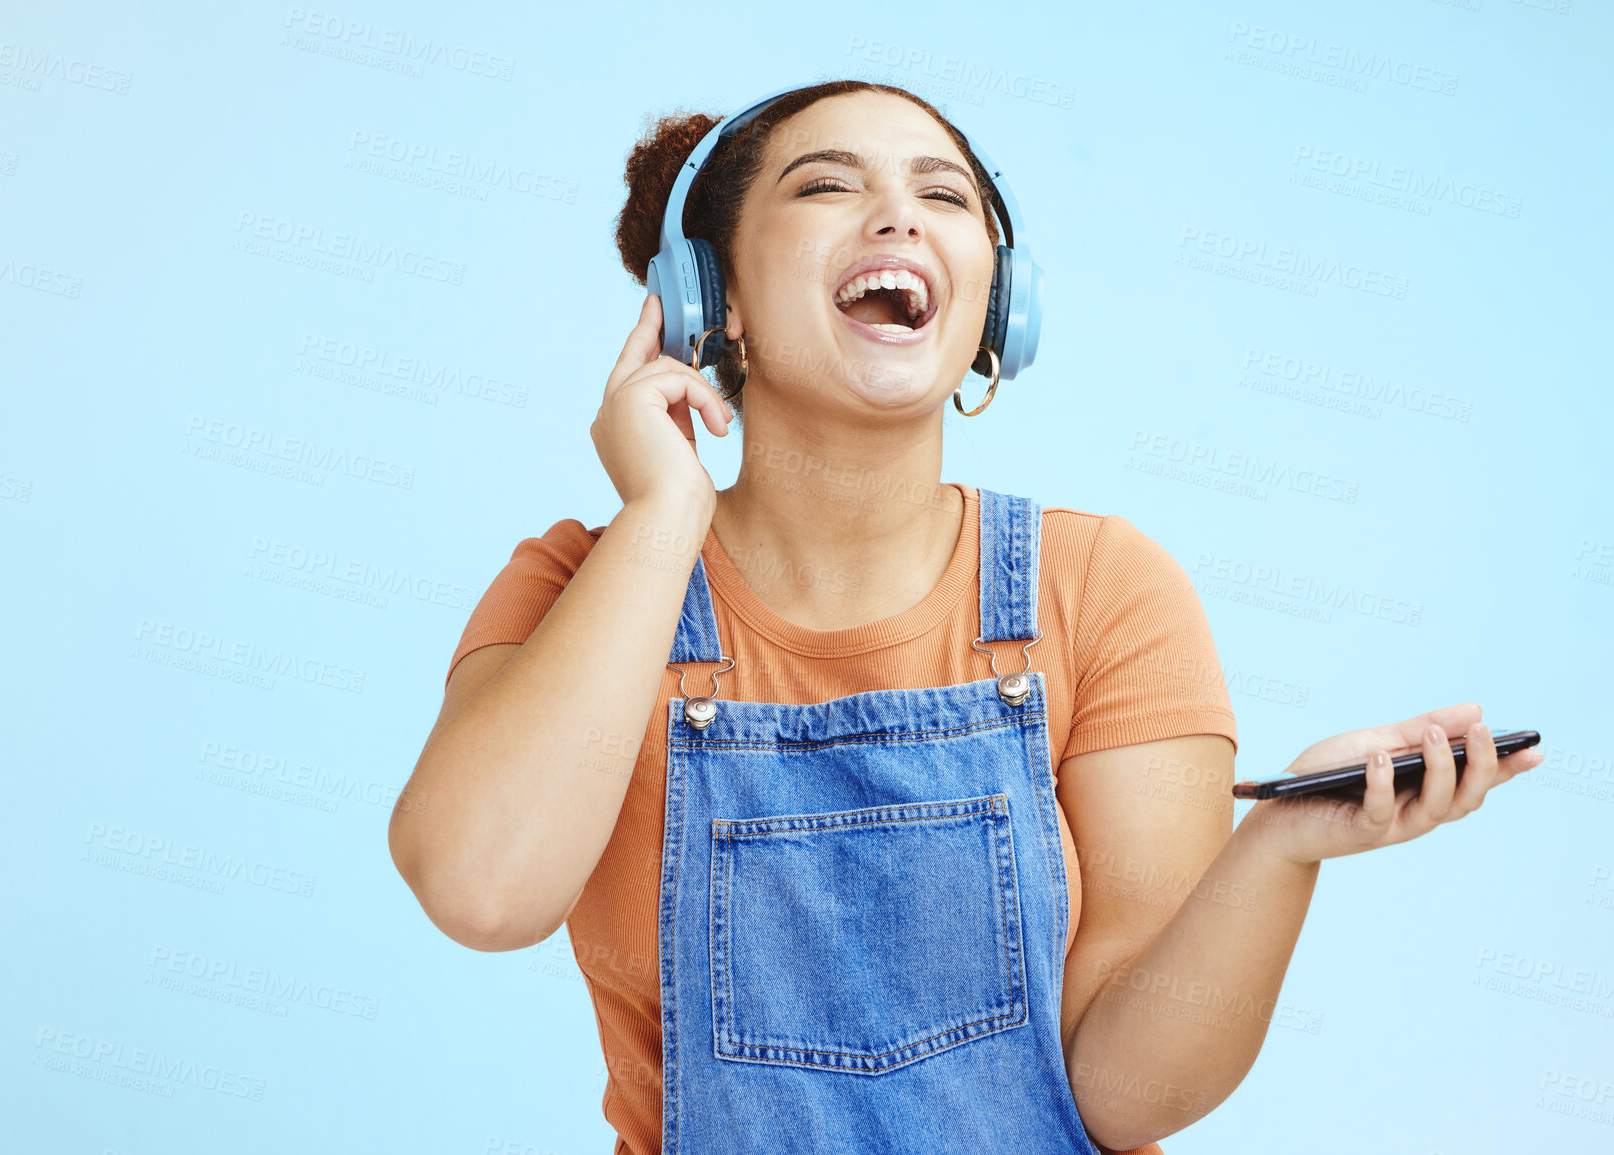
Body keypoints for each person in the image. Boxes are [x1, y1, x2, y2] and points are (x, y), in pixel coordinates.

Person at [387, 80, 1544, 1154]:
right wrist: (662, 516)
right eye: (829, 185)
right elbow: (484, 891)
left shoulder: (1101, 588)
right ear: (712, 298)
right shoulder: (577, 590)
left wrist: (1285, 847)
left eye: (945, 196)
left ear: (998, 305)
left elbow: (1124, 1091)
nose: (900, 219)